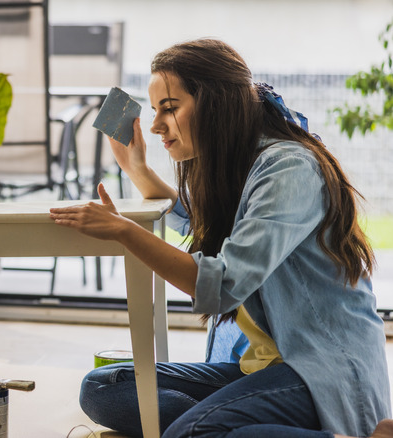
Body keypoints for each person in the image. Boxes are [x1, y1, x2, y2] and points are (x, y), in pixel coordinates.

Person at [49, 38, 392, 438]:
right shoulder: (241, 164)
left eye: (170, 108)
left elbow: (224, 284)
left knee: (191, 432)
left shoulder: (288, 168)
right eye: (155, 111)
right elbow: (197, 223)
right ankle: (235, 423)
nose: (157, 125)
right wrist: (137, 168)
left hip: (317, 371)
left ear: (214, 103)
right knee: (105, 386)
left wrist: (125, 231)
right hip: (261, 370)